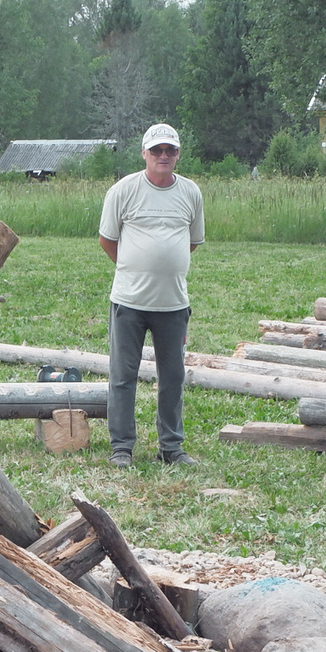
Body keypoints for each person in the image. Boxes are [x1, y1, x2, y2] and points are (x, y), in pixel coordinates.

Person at [97, 123, 207, 467]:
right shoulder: (123, 191)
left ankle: (171, 447)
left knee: (173, 377)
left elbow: (192, 242)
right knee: (122, 376)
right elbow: (107, 240)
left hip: (173, 304)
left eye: (170, 150)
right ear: (144, 153)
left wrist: (166, 265)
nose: (164, 156)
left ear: (178, 154)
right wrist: (135, 268)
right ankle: (121, 448)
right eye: (157, 150)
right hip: (128, 303)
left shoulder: (191, 193)